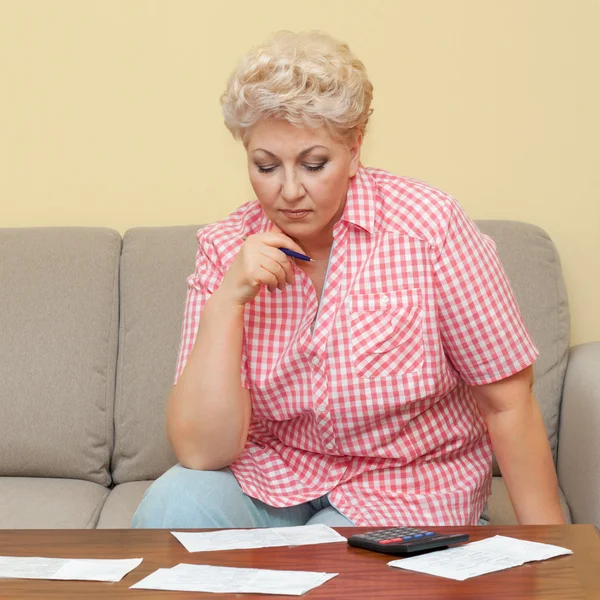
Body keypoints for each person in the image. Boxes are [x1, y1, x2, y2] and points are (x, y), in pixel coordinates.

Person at [132, 31, 564, 528]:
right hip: (274, 480)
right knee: (173, 505)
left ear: (355, 149)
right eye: (266, 166)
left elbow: (508, 402)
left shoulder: (429, 227)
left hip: (407, 488)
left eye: (314, 164)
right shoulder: (224, 246)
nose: (290, 191)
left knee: (330, 552)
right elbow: (202, 452)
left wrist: (553, 559)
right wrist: (229, 300)